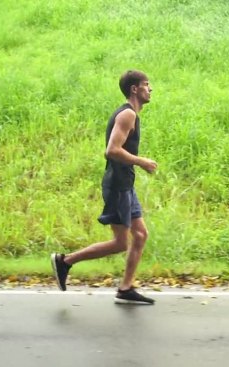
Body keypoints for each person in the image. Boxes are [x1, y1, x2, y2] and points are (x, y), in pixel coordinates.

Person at [51, 70, 157, 304]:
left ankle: (125, 288)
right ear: (134, 89)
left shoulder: (131, 115)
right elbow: (112, 150)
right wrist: (142, 161)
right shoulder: (127, 115)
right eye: (146, 85)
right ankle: (65, 261)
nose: (151, 89)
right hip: (118, 185)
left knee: (140, 235)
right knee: (120, 243)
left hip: (125, 184)